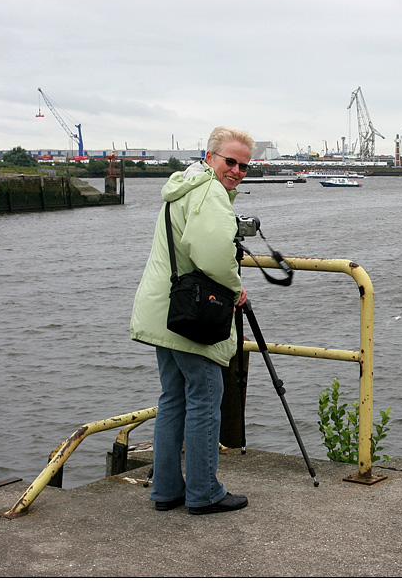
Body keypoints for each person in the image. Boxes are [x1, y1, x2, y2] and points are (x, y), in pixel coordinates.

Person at [130, 126, 254, 515]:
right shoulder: (210, 193)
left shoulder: (182, 187)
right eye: (229, 161)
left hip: (163, 308)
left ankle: (167, 490)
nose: (235, 170)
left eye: (244, 166)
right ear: (210, 157)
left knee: (173, 399)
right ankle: (204, 492)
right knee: (205, 397)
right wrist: (235, 288)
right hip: (191, 313)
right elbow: (214, 255)